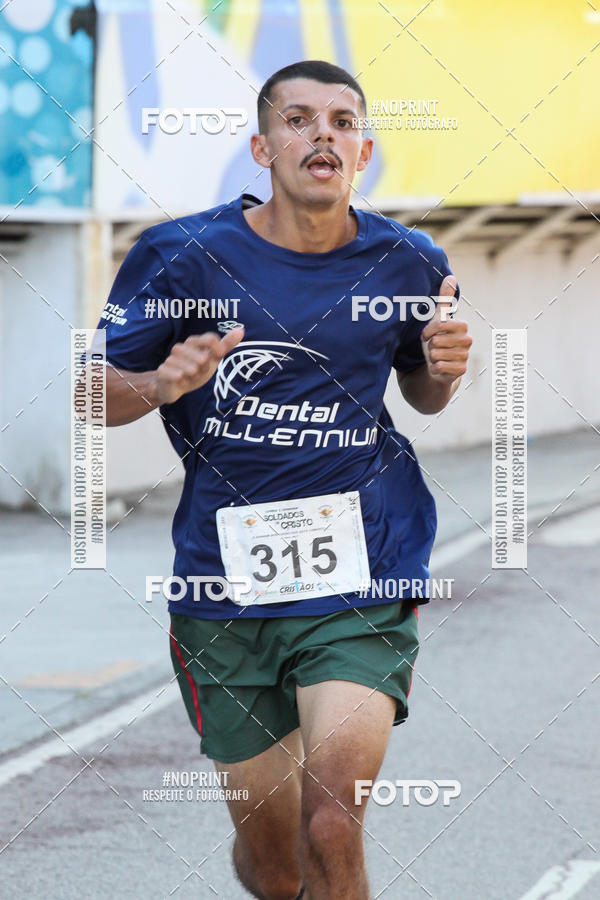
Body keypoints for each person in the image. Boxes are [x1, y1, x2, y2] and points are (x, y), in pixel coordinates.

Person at [100, 59, 472, 900]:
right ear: (263, 147)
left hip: (361, 572)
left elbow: (422, 388)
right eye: (299, 120)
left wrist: (444, 373)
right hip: (222, 589)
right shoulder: (182, 257)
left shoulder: (408, 262)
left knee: (331, 821)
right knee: (274, 867)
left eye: (341, 122)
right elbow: (95, 396)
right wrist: (162, 384)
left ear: (364, 149)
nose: (323, 135)